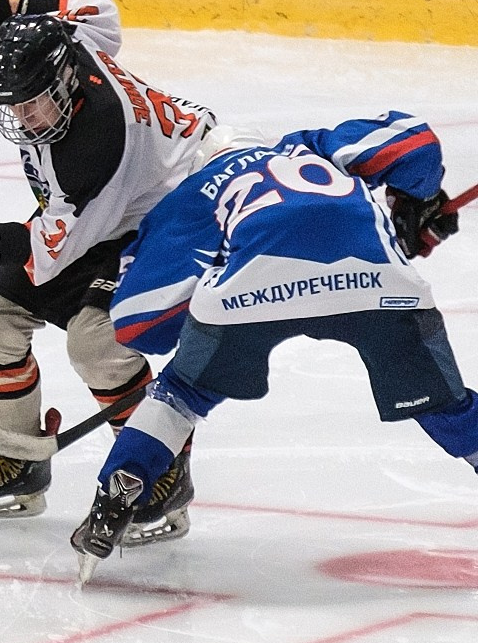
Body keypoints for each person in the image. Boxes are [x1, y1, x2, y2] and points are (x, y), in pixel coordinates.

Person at [72, 113, 471, 580]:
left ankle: (117, 496)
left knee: (180, 395)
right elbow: (413, 144)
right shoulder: (307, 147)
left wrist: (194, 314)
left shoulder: (193, 192)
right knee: (444, 405)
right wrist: (416, 198)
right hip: (376, 281)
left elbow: (141, 323)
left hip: (253, 291)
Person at [0, 0, 224, 525]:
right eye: (12, 107)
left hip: (180, 207)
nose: (23, 120)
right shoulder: (73, 44)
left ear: (67, 82)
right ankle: (20, 461)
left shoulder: (91, 150)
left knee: (96, 341)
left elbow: (53, 249)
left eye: (33, 105)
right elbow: (98, 8)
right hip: (124, 202)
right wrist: (5, 11)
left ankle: (161, 469)